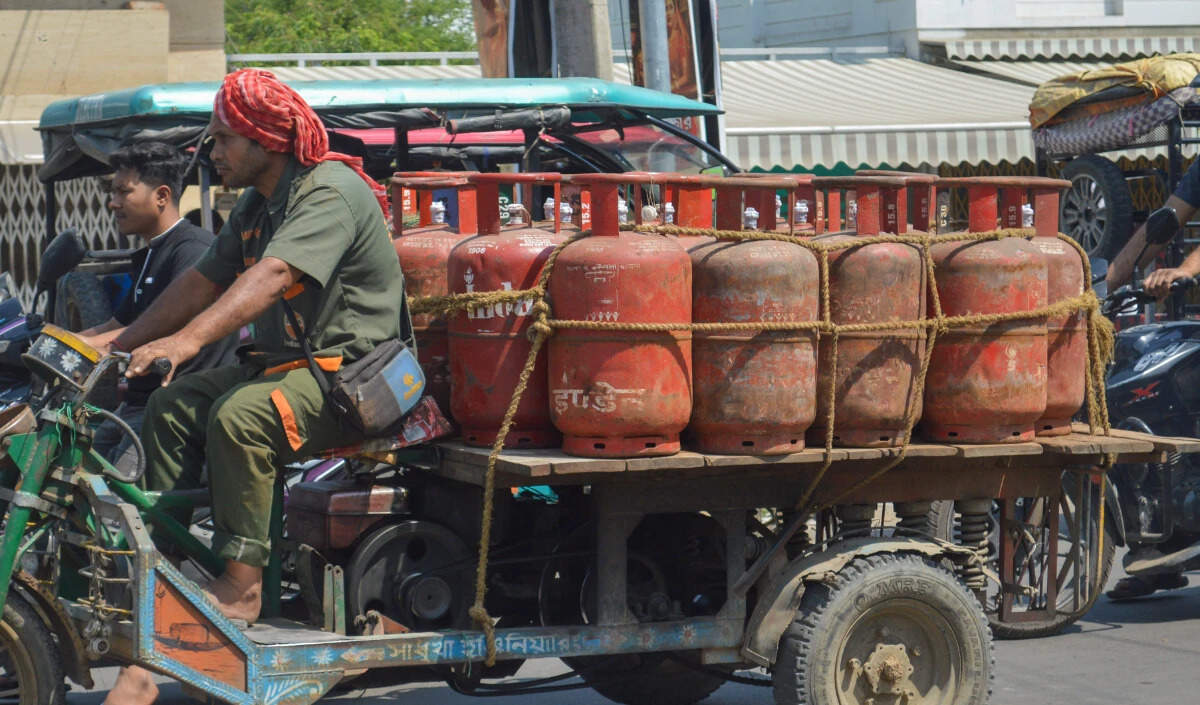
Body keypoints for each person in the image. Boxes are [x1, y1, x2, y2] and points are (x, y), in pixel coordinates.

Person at [102, 68, 411, 705]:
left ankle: (240, 584)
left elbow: (272, 275)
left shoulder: (329, 190)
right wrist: (119, 343)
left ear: (265, 140)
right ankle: (171, 570)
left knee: (241, 416)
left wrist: (185, 343)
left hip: (350, 378)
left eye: (222, 140)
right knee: (172, 403)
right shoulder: (257, 202)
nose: (212, 154)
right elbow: (199, 285)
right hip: (286, 367)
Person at [80, 142, 239, 470]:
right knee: (74, 479)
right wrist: (58, 340)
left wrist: (101, 347)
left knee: (117, 501)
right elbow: (115, 326)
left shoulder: (193, 250)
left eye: (124, 192)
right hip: (135, 404)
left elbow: (168, 326)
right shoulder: (152, 252)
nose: (113, 203)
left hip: (172, 405)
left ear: (162, 197)